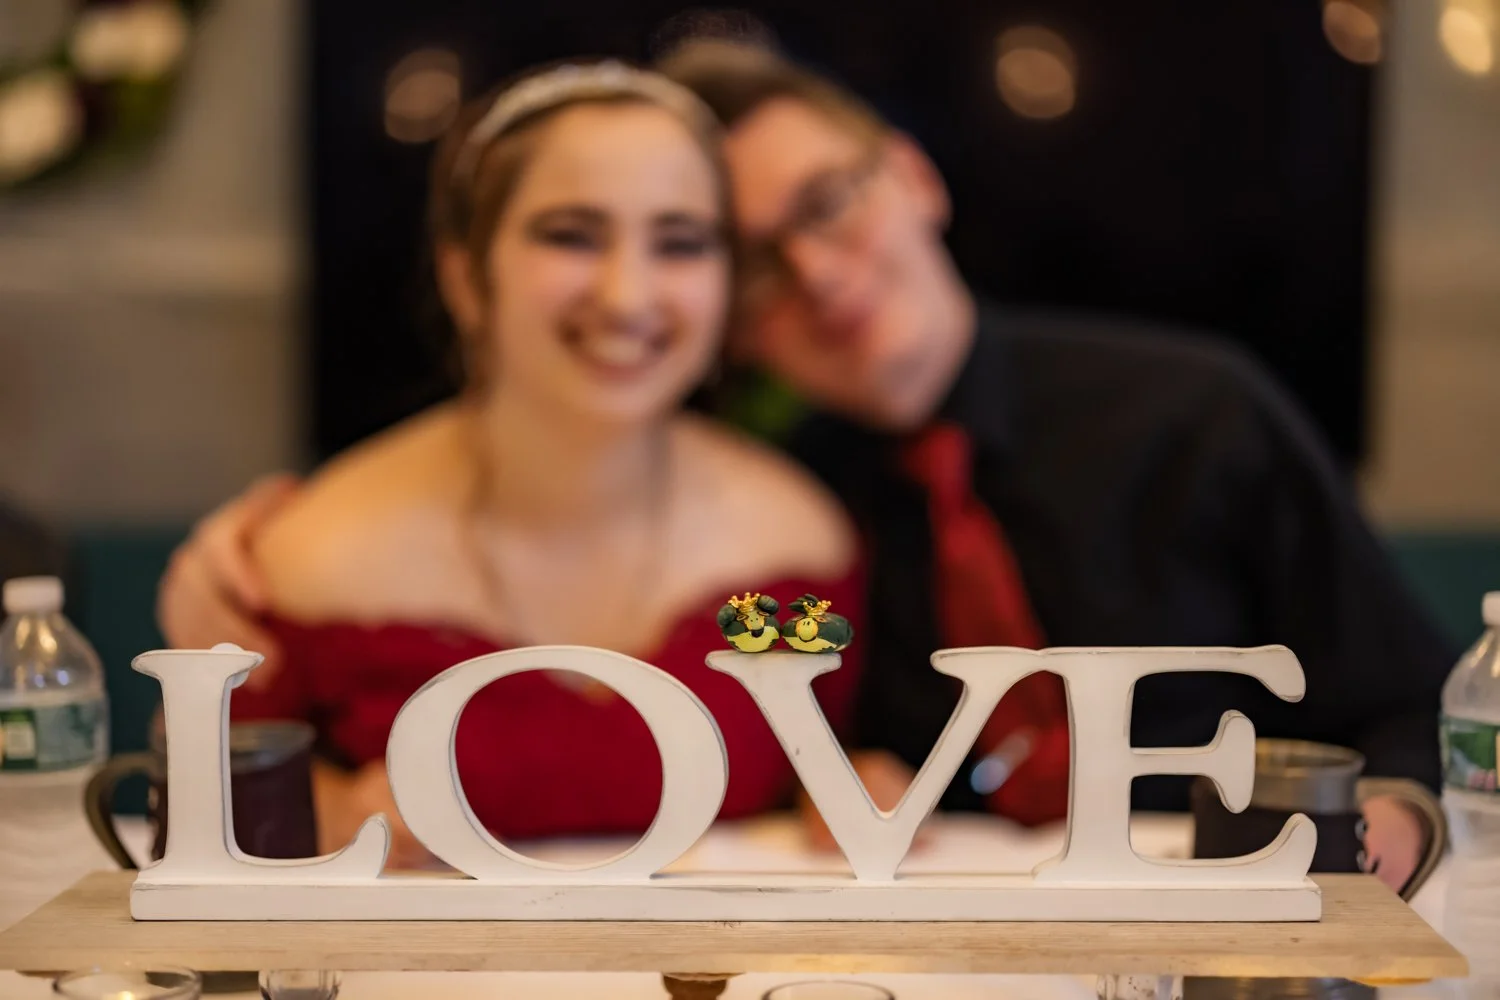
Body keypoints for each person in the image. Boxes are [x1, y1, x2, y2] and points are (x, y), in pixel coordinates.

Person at [159, 42, 1451, 892]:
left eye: (828, 204)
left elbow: (1413, 702)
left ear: (913, 176)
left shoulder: (1192, 412)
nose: (820, 278)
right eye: (760, 259)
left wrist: (1389, 821)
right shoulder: (811, 494)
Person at [176, 60, 864, 868]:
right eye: (571, 235)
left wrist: (847, 787)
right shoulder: (303, 563)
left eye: (680, 243)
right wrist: (310, 818)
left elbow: (823, 775)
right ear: (465, 275)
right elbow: (201, 831)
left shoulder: (798, 544)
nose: (628, 295)